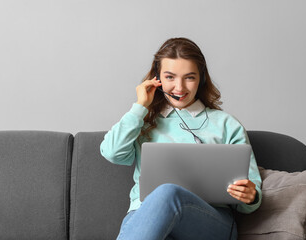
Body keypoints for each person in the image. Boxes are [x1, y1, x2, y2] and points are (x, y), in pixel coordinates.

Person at [100, 37, 262, 240]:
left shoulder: (226, 124)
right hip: (145, 220)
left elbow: (251, 188)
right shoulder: (143, 120)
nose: (179, 87)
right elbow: (112, 153)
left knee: (167, 192)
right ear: (157, 78)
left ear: (201, 78)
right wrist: (140, 107)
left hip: (210, 223)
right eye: (170, 77)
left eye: (189, 77)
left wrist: (251, 196)